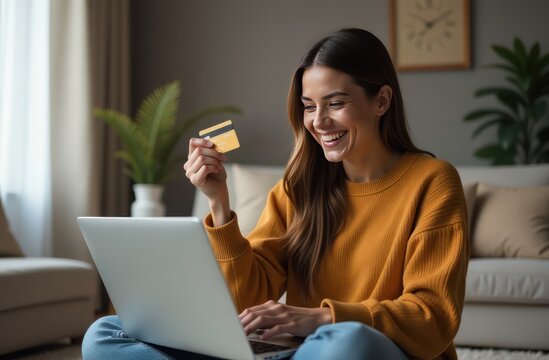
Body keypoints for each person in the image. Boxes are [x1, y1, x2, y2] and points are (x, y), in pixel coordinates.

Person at [82, 28, 469, 360]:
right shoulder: (299, 186)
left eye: (336, 103)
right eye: (308, 106)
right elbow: (245, 299)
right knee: (105, 335)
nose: (319, 122)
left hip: (361, 348)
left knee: (347, 342)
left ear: (381, 101)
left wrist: (321, 317)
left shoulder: (432, 181)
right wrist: (218, 203)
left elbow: (432, 317)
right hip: (299, 350)